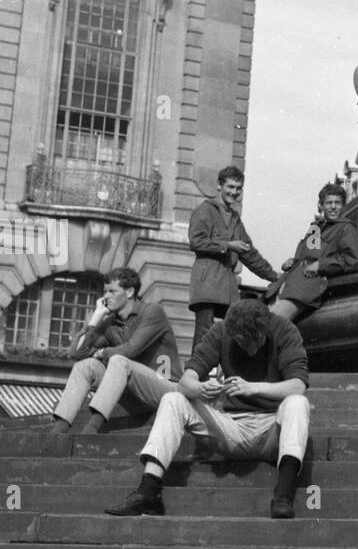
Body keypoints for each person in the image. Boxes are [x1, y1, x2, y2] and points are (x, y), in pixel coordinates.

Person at [105, 300, 310, 521]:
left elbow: (298, 385)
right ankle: (148, 491)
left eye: (256, 341)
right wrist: (200, 388)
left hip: (273, 431)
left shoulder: (285, 329)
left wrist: (253, 388)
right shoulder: (220, 331)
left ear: (266, 329)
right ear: (233, 334)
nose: (251, 348)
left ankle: (283, 496)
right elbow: (186, 381)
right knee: (173, 398)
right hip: (232, 429)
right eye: (243, 342)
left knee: (298, 402)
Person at [50, 267, 182, 434]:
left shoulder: (152, 311)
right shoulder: (111, 323)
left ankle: (91, 430)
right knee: (86, 366)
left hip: (166, 390)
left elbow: (131, 349)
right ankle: (58, 430)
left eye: (112, 291)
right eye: (105, 291)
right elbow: (78, 353)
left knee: (119, 361)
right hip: (134, 393)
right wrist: (96, 317)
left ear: (129, 292)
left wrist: (103, 353)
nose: (106, 296)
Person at [187, 166, 278, 348]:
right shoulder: (205, 210)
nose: (234, 192)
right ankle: (195, 375)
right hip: (207, 284)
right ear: (219, 186)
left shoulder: (235, 218)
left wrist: (275, 277)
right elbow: (196, 242)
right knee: (204, 334)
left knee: (231, 334)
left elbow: (249, 253)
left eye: (238, 188)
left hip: (227, 288)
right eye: (230, 187)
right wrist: (228, 246)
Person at [265, 183, 358, 323]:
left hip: (308, 286)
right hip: (291, 281)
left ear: (343, 205)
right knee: (262, 320)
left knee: (274, 324)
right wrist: (293, 261)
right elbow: (306, 254)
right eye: (329, 203)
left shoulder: (346, 228)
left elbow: (350, 259)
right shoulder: (315, 227)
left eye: (337, 203)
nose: (333, 206)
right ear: (321, 205)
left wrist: (320, 265)